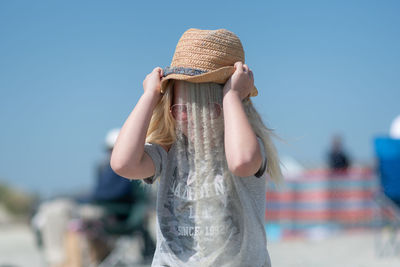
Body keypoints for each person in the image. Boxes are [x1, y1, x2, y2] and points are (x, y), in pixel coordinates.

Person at [110, 28, 282, 267]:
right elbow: (123, 164)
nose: (191, 119)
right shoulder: (169, 151)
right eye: (180, 109)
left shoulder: (248, 145)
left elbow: (241, 162)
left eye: (206, 108)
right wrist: (149, 95)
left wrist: (231, 95)